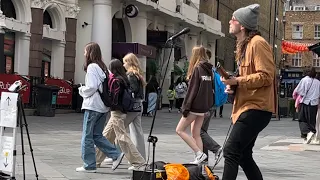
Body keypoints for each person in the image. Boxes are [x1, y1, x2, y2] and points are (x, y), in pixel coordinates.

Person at [220, 4, 276, 180]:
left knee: (230, 150)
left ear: (242, 25)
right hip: (248, 106)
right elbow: (250, 77)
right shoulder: (244, 45)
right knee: (243, 155)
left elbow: (266, 76)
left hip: (256, 108)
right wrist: (234, 84)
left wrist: (237, 81)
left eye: (233, 19)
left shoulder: (258, 44)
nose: (230, 21)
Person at [76, 42, 124, 173]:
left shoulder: (92, 67)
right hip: (103, 106)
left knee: (87, 136)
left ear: (90, 52)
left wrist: (81, 90)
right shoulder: (104, 67)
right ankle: (116, 154)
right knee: (97, 135)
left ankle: (89, 164)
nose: (84, 54)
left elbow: (92, 87)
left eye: (85, 51)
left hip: (93, 106)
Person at [95, 59, 145, 170]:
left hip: (117, 112)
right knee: (107, 135)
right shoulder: (123, 79)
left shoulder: (117, 80)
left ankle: (138, 161)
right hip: (120, 111)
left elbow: (113, 98)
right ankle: (96, 160)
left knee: (122, 137)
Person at [176, 46, 214, 164]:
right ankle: (201, 161)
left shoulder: (197, 69)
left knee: (179, 130)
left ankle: (199, 153)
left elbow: (192, 90)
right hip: (203, 106)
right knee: (196, 134)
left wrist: (185, 108)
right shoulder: (208, 70)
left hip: (194, 106)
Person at [200, 48, 222, 163]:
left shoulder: (204, 70)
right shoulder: (212, 70)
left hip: (205, 105)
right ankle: (204, 159)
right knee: (202, 131)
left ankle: (216, 149)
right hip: (211, 104)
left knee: (199, 132)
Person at [294, 67, 320, 143]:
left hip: (305, 102)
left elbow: (299, 91)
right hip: (314, 104)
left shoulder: (304, 80)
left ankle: (307, 133)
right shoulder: (318, 82)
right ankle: (311, 133)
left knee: (302, 119)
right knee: (312, 120)